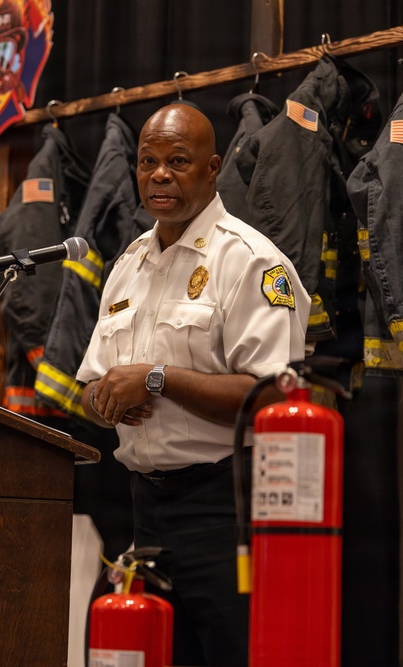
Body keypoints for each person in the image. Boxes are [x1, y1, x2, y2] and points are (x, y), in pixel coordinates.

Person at [77, 103, 310, 666]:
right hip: (143, 514)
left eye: (178, 161)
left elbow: (275, 397)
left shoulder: (250, 261)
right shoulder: (128, 264)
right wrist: (105, 401)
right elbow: (89, 385)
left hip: (224, 512)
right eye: (148, 162)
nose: (160, 174)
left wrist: (156, 380)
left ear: (211, 169)